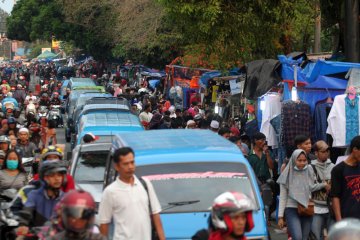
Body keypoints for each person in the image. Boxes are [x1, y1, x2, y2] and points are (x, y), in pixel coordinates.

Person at [98, 147, 165, 240]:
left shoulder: (145, 184)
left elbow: (156, 215)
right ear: (117, 166)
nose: (130, 167)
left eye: (132, 162)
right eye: (125, 164)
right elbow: (104, 224)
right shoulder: (110, 192)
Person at [16, 160, 67, 234]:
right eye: (52, 175)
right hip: (37, 235)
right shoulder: (34, 195)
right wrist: (23, 225)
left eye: (59, 175)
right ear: (44, 178)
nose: (57, 179)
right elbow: (26, 212)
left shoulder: (66, 197)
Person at [277, 149, 317, 240]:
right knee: (298, 237)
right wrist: (280, 217)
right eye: (299, 160)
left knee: (304, 237)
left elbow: (313, 188)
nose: (302, 163)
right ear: (294, 160)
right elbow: (283, 197)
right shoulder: (286, 175)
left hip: (307, 208)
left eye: (304, 160)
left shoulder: (309, 171)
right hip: (291, 209)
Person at [192, 191, 256, 240]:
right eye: (236, 217)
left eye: (244, 217)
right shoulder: (202, 237)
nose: (241, 222)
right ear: (221, 218)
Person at [330, 135, 360, 221]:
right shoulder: (338, 169)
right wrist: (339, 220)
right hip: (347, 218)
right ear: (355, 150)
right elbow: (335, 196)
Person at [310, 141, 334, 240]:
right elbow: (309, 187)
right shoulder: (310, 167)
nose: (326, 153)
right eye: (323, 151)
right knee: (316, 236)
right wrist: (323, 185)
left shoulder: (333, 166)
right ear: (316, 153)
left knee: (332, 236)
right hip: (316, 208)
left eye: (327, 150)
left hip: (331, 207)